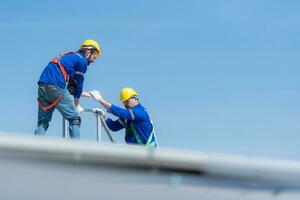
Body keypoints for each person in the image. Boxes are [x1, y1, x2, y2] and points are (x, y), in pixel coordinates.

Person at [35, 39, 102, 138]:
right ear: (89, 51)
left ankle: (35, 147)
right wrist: (77, 105)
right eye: (94, 56)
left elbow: (69, 86)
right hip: (57, 86)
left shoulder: (68, 57)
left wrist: (88, 94)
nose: (93, 61)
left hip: (43, 85)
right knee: (74, 119)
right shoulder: (82, 61)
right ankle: (76, 151)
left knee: (43, 122)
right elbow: (79, 84)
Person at [89, 88, 158, 147]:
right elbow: (114, 126)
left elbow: (120, 112)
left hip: (148, 153)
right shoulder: (128, 117)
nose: (125, 104)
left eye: (127, 101)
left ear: (135, 99)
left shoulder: (141, 113)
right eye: (124, 102)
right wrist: (103, 116)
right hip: (135, 152)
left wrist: (100, 100)